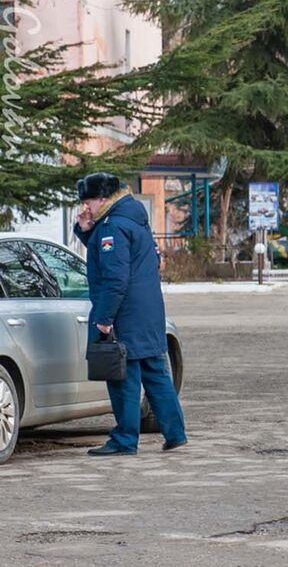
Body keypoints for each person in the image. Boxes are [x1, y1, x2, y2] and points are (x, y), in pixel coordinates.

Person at [73, 172, 187, 457]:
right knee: (157, 375)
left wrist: (104, 318)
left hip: (125, 316)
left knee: (122, 377)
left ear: (102, 198)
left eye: (88, 202)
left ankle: (124, 440)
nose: (85, 208)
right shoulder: (132, 219)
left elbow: (115, 277)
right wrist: (86, 230)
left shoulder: (112, 226)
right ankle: (175, 433)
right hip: (148, 313)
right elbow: (115, 258)